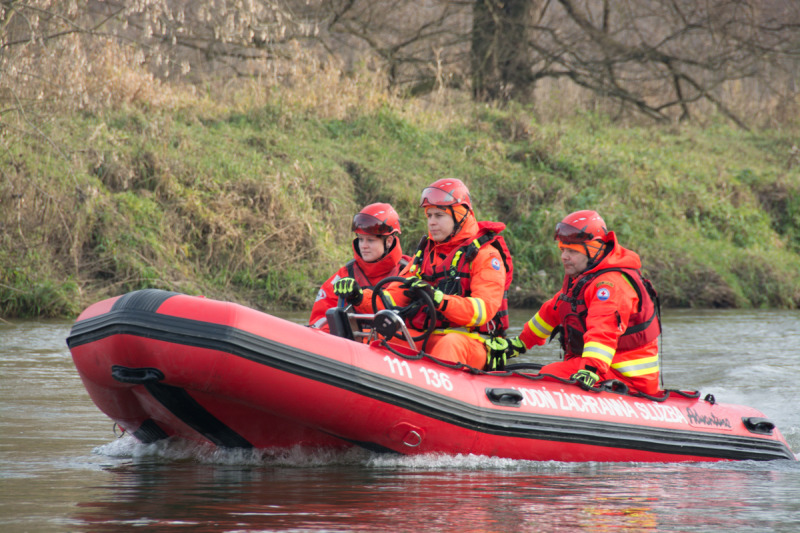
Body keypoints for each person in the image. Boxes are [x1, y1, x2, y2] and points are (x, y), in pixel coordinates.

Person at [492, 210, 661, 395]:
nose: (564, 256)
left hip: (628, 378)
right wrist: (519, 343)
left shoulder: (610, 285)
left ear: (594, 249)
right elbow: (553, 311)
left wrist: (590, 370)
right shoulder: (583, 280)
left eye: (572, 251)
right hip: (603, 370)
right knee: (549, 374)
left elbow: (603, 331)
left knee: (549, 376)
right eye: (563, 250)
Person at [382, 178, 513, 369]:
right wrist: (360, 298)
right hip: (431, 336)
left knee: (450, 343)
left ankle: (432, 392)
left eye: (439, 216)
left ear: (459, 215)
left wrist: (439, 299)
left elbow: (482, 311)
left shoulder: (486, 256)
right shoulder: (425, 255)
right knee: (381, 335)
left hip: (472, 341)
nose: (432, 223)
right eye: (429, 216)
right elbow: (391, 296)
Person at [309, 203, 410, 331]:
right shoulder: (345, 275)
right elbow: (320, 320)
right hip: (351, 347)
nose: (363, 246)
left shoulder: (408, 271)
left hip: (393, 345)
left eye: (370, 240)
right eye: (361, 239)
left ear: (389, 241)